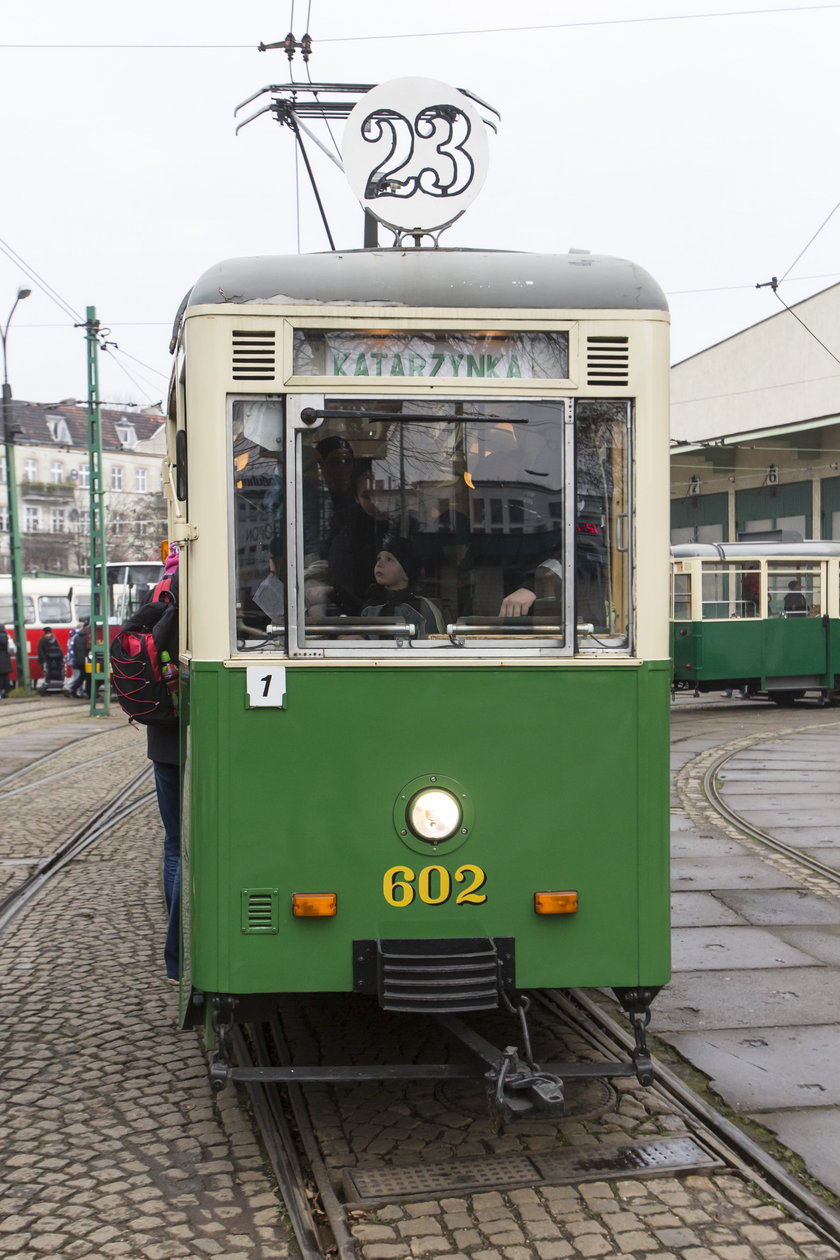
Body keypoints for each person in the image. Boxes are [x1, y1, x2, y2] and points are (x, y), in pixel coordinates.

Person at [146, 546, 181, 981]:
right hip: (187, 729)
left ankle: (177, 959)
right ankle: (180, 951)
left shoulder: (161, 590)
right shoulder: (197, 589)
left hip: (162, 733)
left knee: (174, 844)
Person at [361, 536, 445, 639]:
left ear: (406, 573)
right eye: (378, 558)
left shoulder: (423, 608)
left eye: (389, 559)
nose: (380, 564)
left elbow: (435, 647)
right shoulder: (370, 607)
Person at [63, 618, 89, 698]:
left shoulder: (75, 637)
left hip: (76, 660)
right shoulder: (86, 637)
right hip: (83, 660)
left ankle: (76, 691)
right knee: (80, 677)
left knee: (79, 676)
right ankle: (70, 688)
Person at [37, 627, 65, 691]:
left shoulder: (42, 640)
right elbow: (59, 649)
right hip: (56, 660)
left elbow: (40, 650)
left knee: (47, 672)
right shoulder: (54, 639)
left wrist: (42, 660)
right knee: (53, 671)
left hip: (47, 659)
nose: (48, 635)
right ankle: (55, 684)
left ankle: (47, 684)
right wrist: (62, 657)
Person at [0, 625, 13, 698]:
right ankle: (7, 692)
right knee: (6, 676)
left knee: (0, 677)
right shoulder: (7, 636)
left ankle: (1, 691)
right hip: (6, 658)